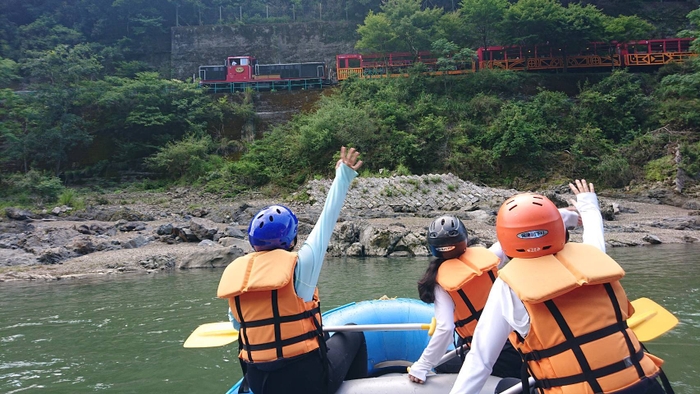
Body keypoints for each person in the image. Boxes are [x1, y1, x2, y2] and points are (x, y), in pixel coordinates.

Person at [448, 180, 668, 394]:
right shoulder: (594, 258)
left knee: (507, 385)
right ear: (557, 228)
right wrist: (587, 202)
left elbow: (481, 360)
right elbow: (593, 231)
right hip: (645, 384)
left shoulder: (507, 286)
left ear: (505, 237)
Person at [217, 146, 367, 394]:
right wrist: (343, 176)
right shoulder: (301, 265)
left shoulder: (238, 276)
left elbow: (237, 326)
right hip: (304, 382)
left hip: (259, 381)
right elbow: (326, 220)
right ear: (292, 239)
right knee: (354, 335)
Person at [407, 198, 583, 385]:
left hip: (494, 352)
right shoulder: (490, 256)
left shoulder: (440, 283)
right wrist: (569, 215)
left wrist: (422, 366)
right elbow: (525, 229)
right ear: (464, 241)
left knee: (443, 367)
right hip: (517, 342)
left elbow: (445, 329)